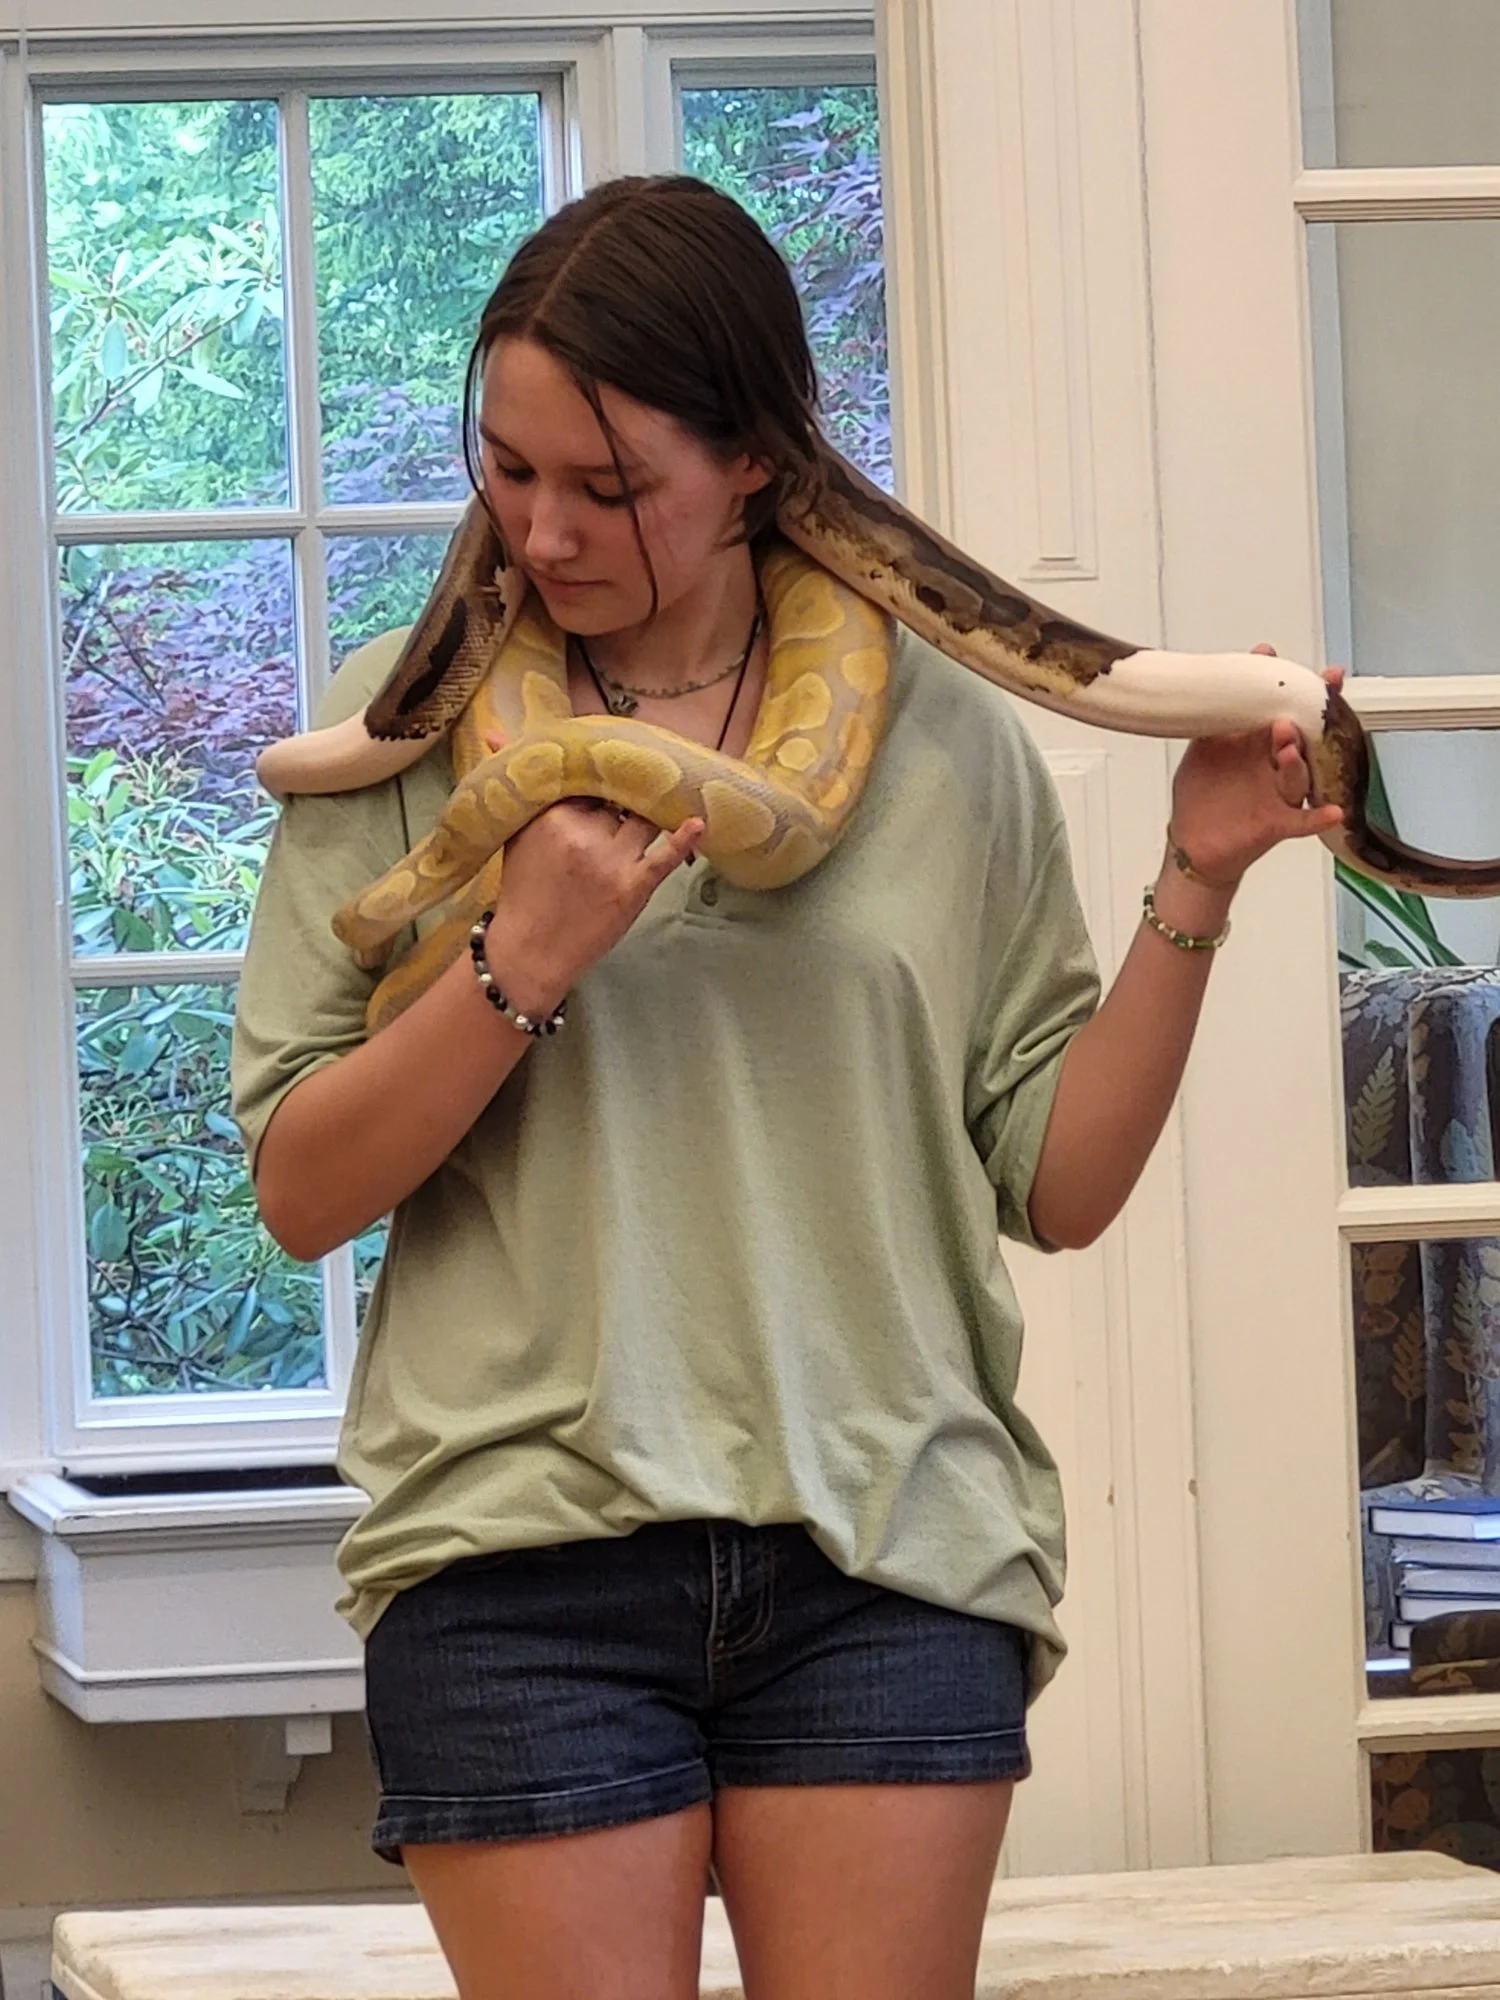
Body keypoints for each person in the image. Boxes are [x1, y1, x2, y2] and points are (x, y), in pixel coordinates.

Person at [232, 174, 1342, 2000]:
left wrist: (1198, 879)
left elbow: (1051, 1185)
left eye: (610, 488)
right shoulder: (406, 727)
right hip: (522, 1552)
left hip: (892, 1553)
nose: (543, 531)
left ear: (755, 463)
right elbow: (300, 1191)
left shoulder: (949, 738)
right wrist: (521, 960)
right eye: (508, 471)